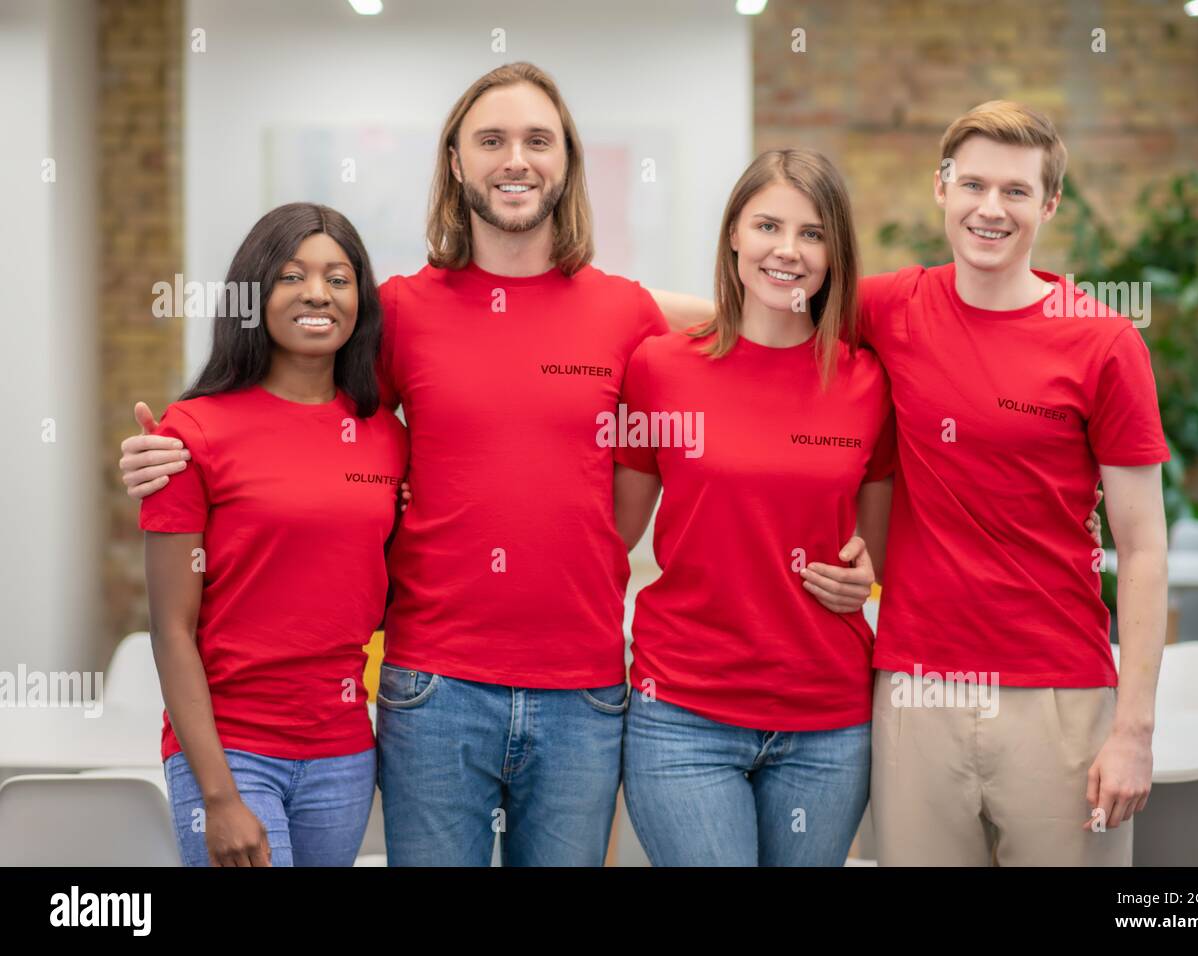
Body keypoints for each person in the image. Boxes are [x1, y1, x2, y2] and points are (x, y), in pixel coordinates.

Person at [121, 63, 863, 866]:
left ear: (567, 162)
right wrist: (176, 447)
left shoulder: (624, 312)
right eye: (492, 140)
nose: (517, 157)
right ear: (455, 162)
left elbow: (753, 323)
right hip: (434, 690)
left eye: (538, 140)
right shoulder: (397, 311)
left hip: (584, 692)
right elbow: (290, 395)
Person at [654, 101, 1163, 866]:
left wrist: (1134, 731)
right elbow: (760, 311)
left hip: (1057, 696)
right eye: (974, 185)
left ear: (1049, 204)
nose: (991, 209)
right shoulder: (892, 308)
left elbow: (1146, 546)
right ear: (942, 189)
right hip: (912, 693)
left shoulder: (1104, 342)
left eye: (1017, 192)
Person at [613, 149, 893, 866]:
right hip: (683, 712)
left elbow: (880, 549)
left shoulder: (868, 383)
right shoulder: (660, 369)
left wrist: (864, 574)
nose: (787, 250)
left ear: (835, 253)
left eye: (812, 233)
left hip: (827, 720)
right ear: (733, 233)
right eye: (768, 224)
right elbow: (612, 530)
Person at [141, 203, 408, 867]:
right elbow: (172, 629)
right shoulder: (191, 433)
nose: (318, 293)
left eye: (339, 278)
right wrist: (219, 794)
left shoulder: (389, 438)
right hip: (231, 753)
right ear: (253, 294)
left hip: (343, 752)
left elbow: (380, 595)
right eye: (292, 276)